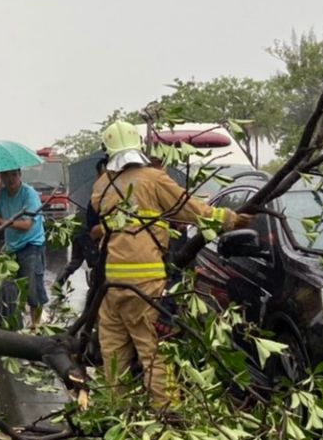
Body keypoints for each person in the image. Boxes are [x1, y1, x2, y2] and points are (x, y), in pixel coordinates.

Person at [90, 121, 252, 409]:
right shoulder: (153, 179)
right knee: (154, 353)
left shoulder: (101, 186)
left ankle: (116, 415)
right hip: (146, 283)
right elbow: (194, 210)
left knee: (114, 355)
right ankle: (166, 418)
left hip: (111, 284)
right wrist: (231, 219)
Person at [0, 167, 48, 330]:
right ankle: (13, 325)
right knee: (6, 287)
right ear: (1, 177)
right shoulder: (2, 195)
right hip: (11, 248)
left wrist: (2, 222)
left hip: (31, 245)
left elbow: (27, 224)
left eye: (14, 175)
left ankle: (36, 326)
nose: (10, 179)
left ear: (20, 175)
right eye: (6, 175)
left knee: (32, 289)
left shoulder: (29, 194)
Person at [54, 157, 107, 313]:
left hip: (81, 229)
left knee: (76, 263)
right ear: (99, 174)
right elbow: (93, 225)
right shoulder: (99, 192)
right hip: (84, 233)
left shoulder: (97, 189)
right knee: (95, 266)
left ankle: (58, 287)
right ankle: (91, 307)